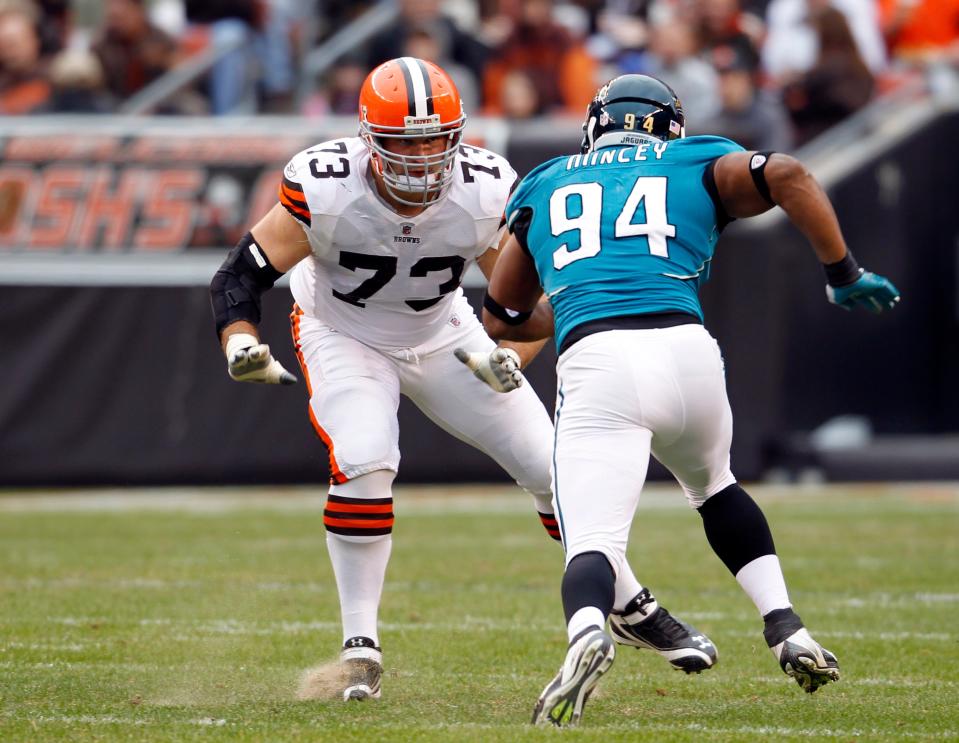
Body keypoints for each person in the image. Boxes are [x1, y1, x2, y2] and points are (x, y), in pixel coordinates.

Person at [209, 58, 718, 703]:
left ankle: (630, 604)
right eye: (405, 142)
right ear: (370, 140)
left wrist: (512, 354)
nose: (423, 159)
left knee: (554, 467)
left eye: (435, 139)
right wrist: (242, 341)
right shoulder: (325, 185)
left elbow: (521, 301)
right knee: (366, 457)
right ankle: (359, 649)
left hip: (445, 331)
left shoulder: (483, 187)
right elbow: (239, 276)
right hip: (343, 332)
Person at [482, 74, 900, 726]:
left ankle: (588, 632)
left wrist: (556, 304)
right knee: (715, 486)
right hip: (688, 351)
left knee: (591, 537)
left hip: (599, 358)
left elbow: (504, 312)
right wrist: (841, 272)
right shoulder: (695, 156)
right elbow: (786, 171)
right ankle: (784, 625)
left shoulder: (545, 181)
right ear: (668, 124)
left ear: (595, 123)